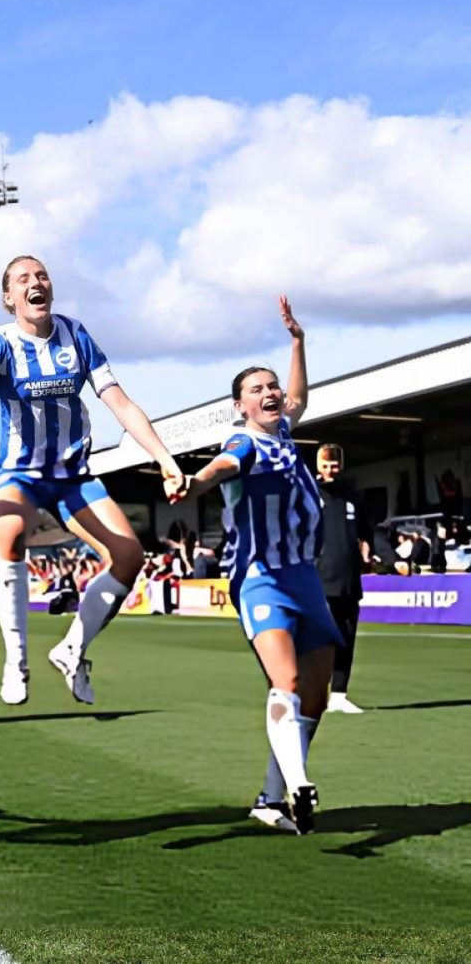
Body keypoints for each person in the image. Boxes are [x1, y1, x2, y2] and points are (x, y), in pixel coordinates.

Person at [0, 256, 185, 706]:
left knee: (130, 556)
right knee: (12, 534)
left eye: (41, 276)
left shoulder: (76, 334)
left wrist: (164, 458)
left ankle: (72, 648)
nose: (35, 283)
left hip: (72, 474)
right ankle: (16, 662)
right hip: (16, 471)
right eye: (23, 279)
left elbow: (120, 403)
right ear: (8, 298)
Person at [168, 298, 331, 835]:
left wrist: (298, 342)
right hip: (260, 575)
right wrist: (194, 482)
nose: (271, 393)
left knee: (317, 694)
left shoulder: (284, 431)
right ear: (240, 406)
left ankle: (270, 797)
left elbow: (301, 395)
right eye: (257, 389)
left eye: (272, 387)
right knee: (284, 680)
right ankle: (299, 784)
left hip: (304, 576)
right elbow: (224, 465)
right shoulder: (245, 441)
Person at [313, 443, 370, 714]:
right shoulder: (309, 494)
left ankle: (339, 695)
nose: (330, 470)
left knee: (346, 638)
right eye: (326, 465)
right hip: (320, 579)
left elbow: (368, 531)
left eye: (334, 465)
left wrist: (384, 555)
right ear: (318, 466)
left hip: (349, 580)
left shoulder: (352, 495)